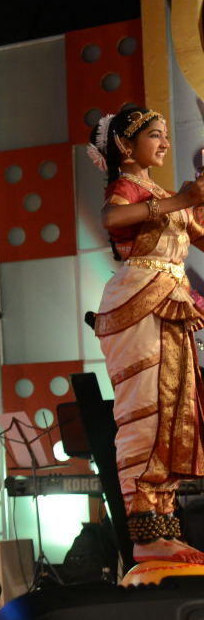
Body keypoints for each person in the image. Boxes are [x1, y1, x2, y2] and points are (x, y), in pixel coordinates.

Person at [87, 104, 204, 564]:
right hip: (139, 299)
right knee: (144, 412)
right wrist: (179, 200)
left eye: (165, 135)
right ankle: (143, 534)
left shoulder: (157, 191)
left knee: (174, 416)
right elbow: (112, 219)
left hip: (171, 303)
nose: (164, 142)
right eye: (155, 134)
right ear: (125, 144)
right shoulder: (128, 187)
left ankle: (162, 527)